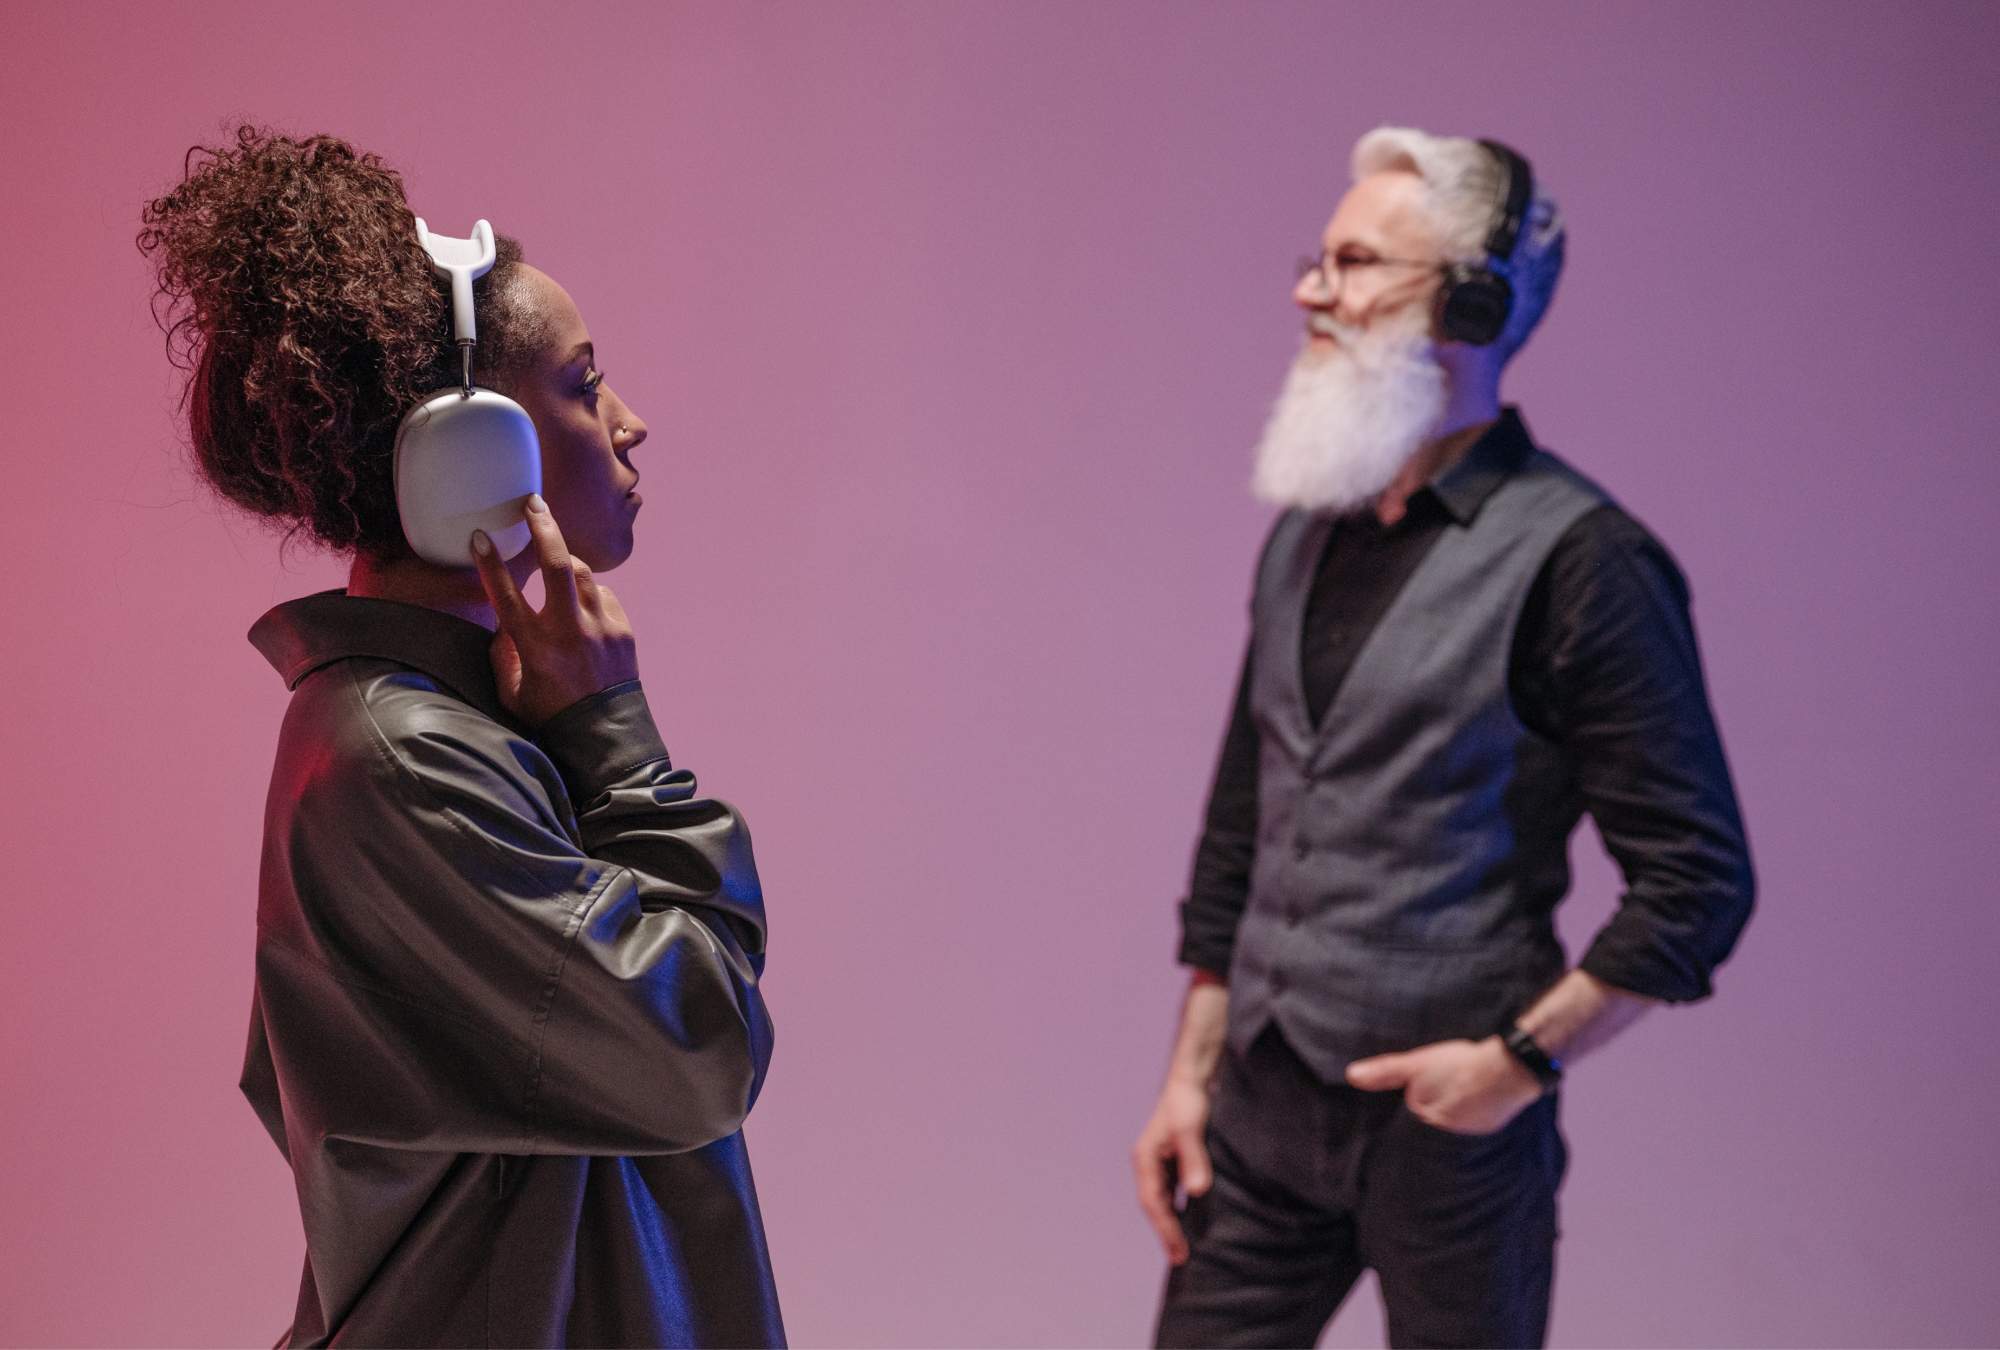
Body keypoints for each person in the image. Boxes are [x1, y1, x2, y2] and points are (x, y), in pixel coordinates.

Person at [139, 126, 785, 1348]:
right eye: (586, 386)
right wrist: (619, 749)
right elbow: (701, 1048)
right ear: (472, 449)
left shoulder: (437, 729)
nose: (631, 422)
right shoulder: (405, 757)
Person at [1132, 126, 1755, 1349]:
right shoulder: (1307, 528)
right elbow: (1242, 827)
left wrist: (1513, 1065)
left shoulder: (1585, 562)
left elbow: (1696, 882)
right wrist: (1189, 1072)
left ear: (1472, 307)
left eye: (1356, 264)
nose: (1310, 292)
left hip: (1448, 1136)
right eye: (1318, 258)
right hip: (1258, 1108)